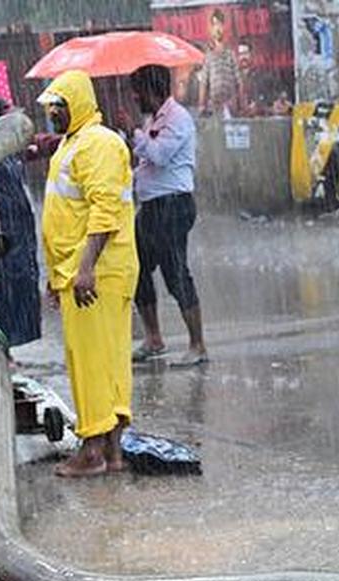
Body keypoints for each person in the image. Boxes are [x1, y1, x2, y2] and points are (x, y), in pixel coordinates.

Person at [37, 70, 139, 478]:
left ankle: (92, 449)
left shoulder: (96, 144)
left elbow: (103, 212)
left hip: (96, 274)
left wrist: (83, 270)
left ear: (76, 104)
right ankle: (113, 453)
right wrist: (58, 272)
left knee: (91, 364)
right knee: (109, 362)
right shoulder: (75, 143)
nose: (52, 115)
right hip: (84, 271)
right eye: (49, 108)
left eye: (58, 107)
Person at [115, 65, 208, 365]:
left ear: (152, 91)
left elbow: (159, 155)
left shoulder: (178, 118)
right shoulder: (153, 119)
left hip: (173, 205)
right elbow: (146, 164)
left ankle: (198, 345)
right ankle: (153, 338)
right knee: (137, 267)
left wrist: (134, 134)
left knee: (176, 273)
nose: (134, 96)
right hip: (151, 206)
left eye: (138, 90)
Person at [0, 95, 42, 350]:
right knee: (3, 284)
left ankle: (11, 340)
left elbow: (34, 148)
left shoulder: (9, 147)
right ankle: (1, 342)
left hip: (20, 224)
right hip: (3, 227)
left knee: (21, 280)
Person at [197, 9, 243, 117]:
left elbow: (239, 82)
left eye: (220, 24)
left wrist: (241, 105)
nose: (217, 28)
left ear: (224, 27)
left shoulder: (230, 54)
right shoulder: (208, 55)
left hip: (231, 105)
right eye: (214, 24)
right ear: (211, 28)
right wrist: (201, 105)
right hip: (214, 106)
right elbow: (204, 83)